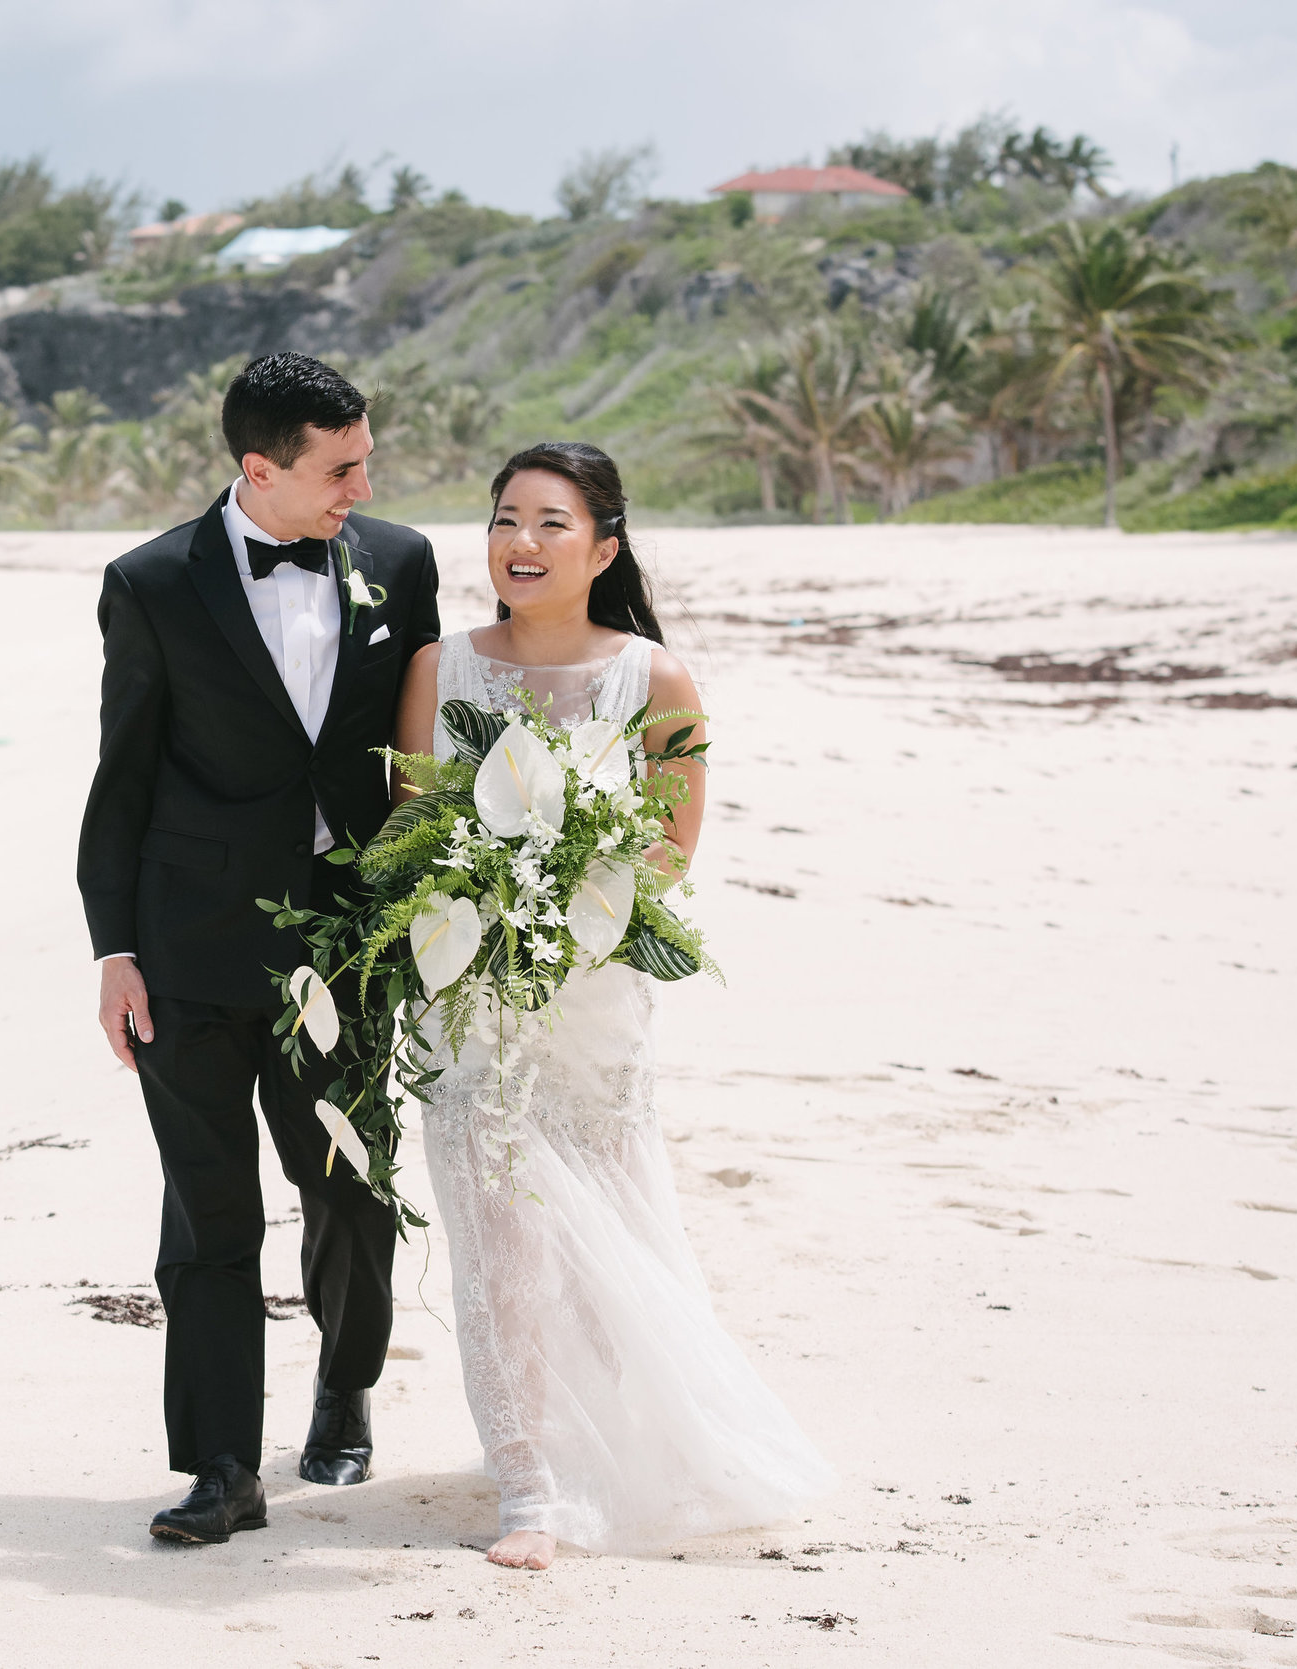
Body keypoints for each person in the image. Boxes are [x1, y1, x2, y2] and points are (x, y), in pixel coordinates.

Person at [392, 440, 833, 1569]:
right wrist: (479, 898)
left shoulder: (657, 679)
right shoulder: (441, 668)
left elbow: (670, 858)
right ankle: (529, 1482)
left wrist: (551, 892)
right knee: (498, 1237)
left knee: (603, 1233)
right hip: (468, 994)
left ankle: (610, 1445)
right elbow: (406, 831)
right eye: (503, 519)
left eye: (549, 522)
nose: (520, 543)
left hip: (592, 998)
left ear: (604, 545)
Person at [77, 353, 443, 1544]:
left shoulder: (399, 563)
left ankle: (345, 1387)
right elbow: (119, 778)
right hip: (187, 946)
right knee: (208, 1209)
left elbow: (417, 751)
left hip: (343, 941)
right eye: (340, 467)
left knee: (344, 1182)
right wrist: (113, 948)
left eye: (365, 460)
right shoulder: (150, 584)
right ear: (258, 467)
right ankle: (222, 1462)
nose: (361, 484)